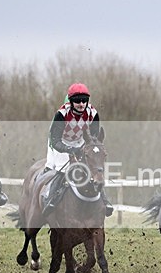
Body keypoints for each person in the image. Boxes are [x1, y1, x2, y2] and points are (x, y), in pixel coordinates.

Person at [43, 83, 113, 217]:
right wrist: (70, 149)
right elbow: (55, 140)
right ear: (70, 102)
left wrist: (87, 148)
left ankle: (104, 199)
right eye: (77, 101)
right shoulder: (61, 115)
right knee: (63, 169)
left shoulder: (93, 113)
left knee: (91, 167)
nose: (81, 104)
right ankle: (51, 200)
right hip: (60, 142)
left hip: (81, 140)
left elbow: (93, 139)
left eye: (84, 100)